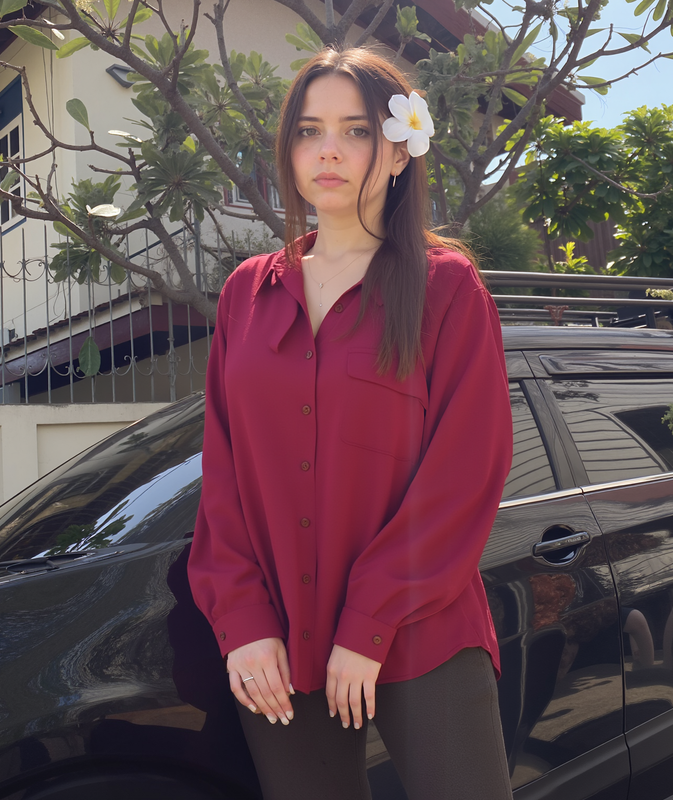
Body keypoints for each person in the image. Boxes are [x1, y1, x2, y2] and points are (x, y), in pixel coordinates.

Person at [188, 45, 514, 800]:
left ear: (399, 151)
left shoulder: (447, 289)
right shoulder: (247, 294)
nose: (327, 149)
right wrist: (242, 623)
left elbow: (466, 471)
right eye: (308, 130)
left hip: (419, 626)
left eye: (356, 130)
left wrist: (368, 623)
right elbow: (224, 473)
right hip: (279, 642)